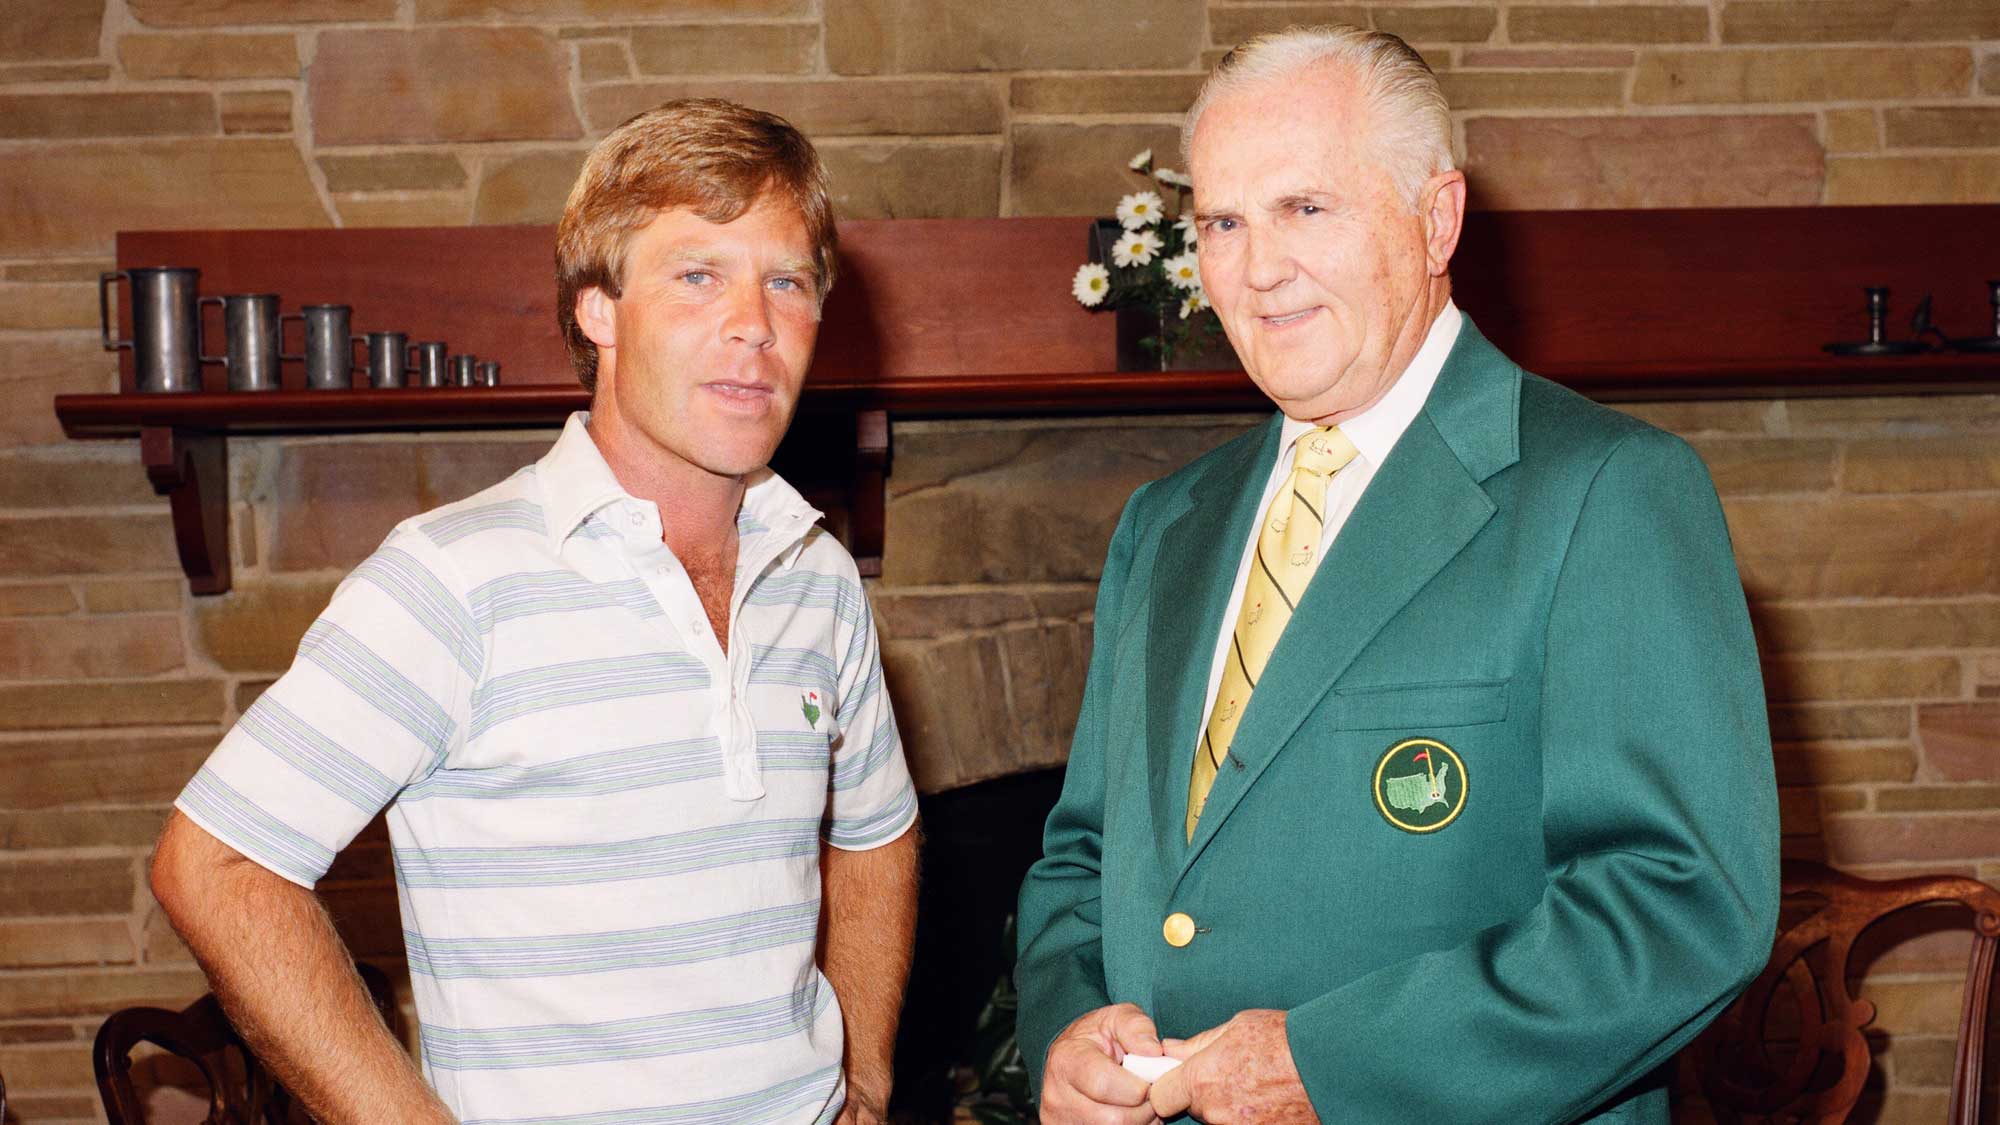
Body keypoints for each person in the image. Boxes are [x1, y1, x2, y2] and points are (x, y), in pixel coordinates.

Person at [1015, 26, 1779, 1125]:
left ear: (1435, 220)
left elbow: (1679, 904)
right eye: (1223, 222)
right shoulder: (1164, 523)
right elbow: (1083, 856)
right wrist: (1068, 1026)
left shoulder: (1607, 491)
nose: (1258, 266)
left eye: (1305, 209)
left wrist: (1333, 1065)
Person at [150, 99, 920, 1125]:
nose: (754, 323)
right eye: (697, 276)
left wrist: (860, 1079)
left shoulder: (815, 572)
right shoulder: (451, 581)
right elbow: (217, 864)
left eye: (786, 280)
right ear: (597, 309)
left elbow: (875, 833)